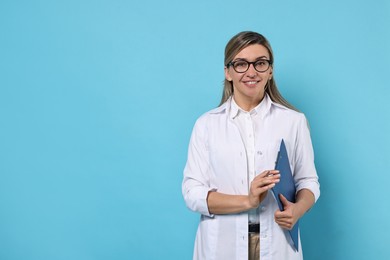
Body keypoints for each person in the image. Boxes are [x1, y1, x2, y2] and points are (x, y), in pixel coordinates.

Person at [182, 31, 320, 260]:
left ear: (270, 70)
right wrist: (248, 201)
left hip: (277, 243)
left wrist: (298, 209)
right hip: (222, 245)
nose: (251, 71)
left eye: (260, 63)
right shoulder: (206, 125)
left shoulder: (293, 121)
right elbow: (192, 193)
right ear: (228, 72)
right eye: (241, 64)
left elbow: (308, 181)